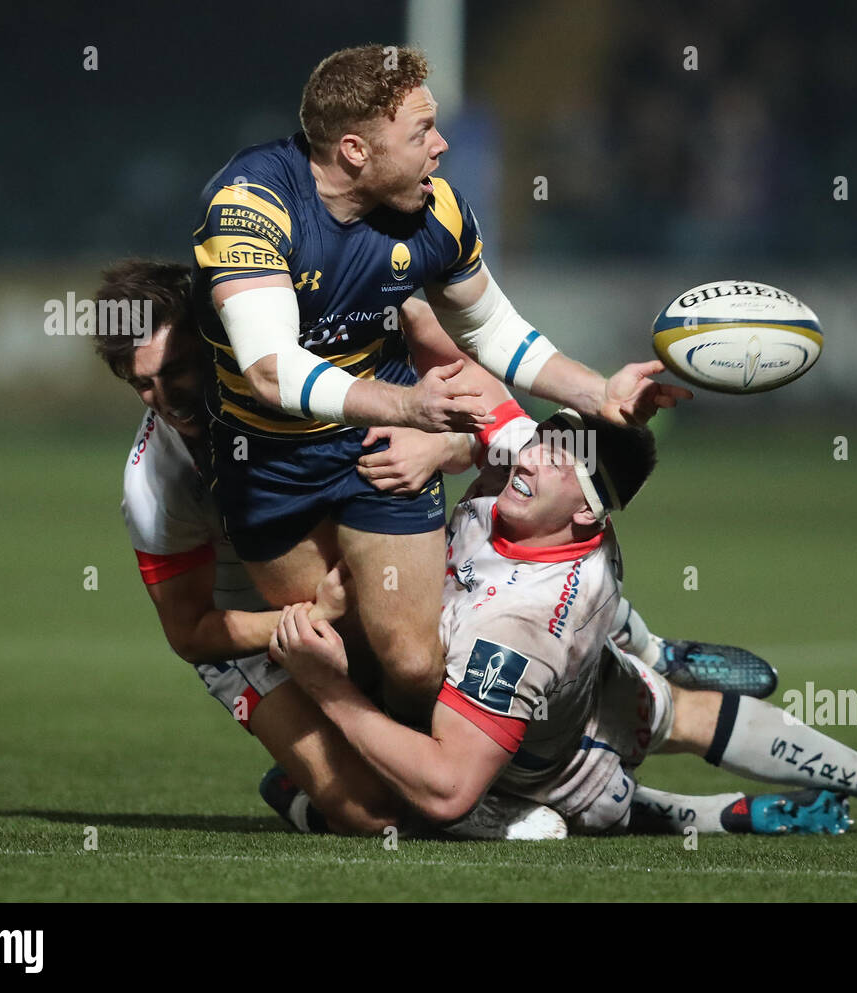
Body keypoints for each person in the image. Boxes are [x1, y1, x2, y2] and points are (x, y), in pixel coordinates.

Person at [93, 259, 772, 837]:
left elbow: (503, 434)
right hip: (258, 633)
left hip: (347, 579)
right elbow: (190, 632)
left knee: (438, 666)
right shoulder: (155, 483)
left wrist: (447, 441)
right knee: (370, 810)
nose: (165, 397)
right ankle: (307, 791)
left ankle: (641, 644)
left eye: (176, 368)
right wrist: (302, 623)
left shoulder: (309, 364)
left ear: (219, 333)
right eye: (142, 385)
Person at [191, 44, 690, 719]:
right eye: (422, 131)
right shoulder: (252, 205)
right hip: (267, 460)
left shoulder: (437, 212)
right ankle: (388, 800)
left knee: (416, 663)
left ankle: (433, 803)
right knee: (342, 642)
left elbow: (491, 330)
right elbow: (270, 368)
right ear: (355, 151)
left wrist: (595, 393)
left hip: (377, 446)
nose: (442, 145)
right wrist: (410, 403)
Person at [271, 408, 857, 837]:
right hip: (594, 676)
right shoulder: (564, 512)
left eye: (556, 459)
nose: (529, 457)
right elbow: (494, 421)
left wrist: (330, 691)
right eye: (540, 441)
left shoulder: (517, 629)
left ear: (584, 510)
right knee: (684, 710)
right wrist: (447, 444)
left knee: (514, 809)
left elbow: (451, 783)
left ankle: (690, 811)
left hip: (534, 760)